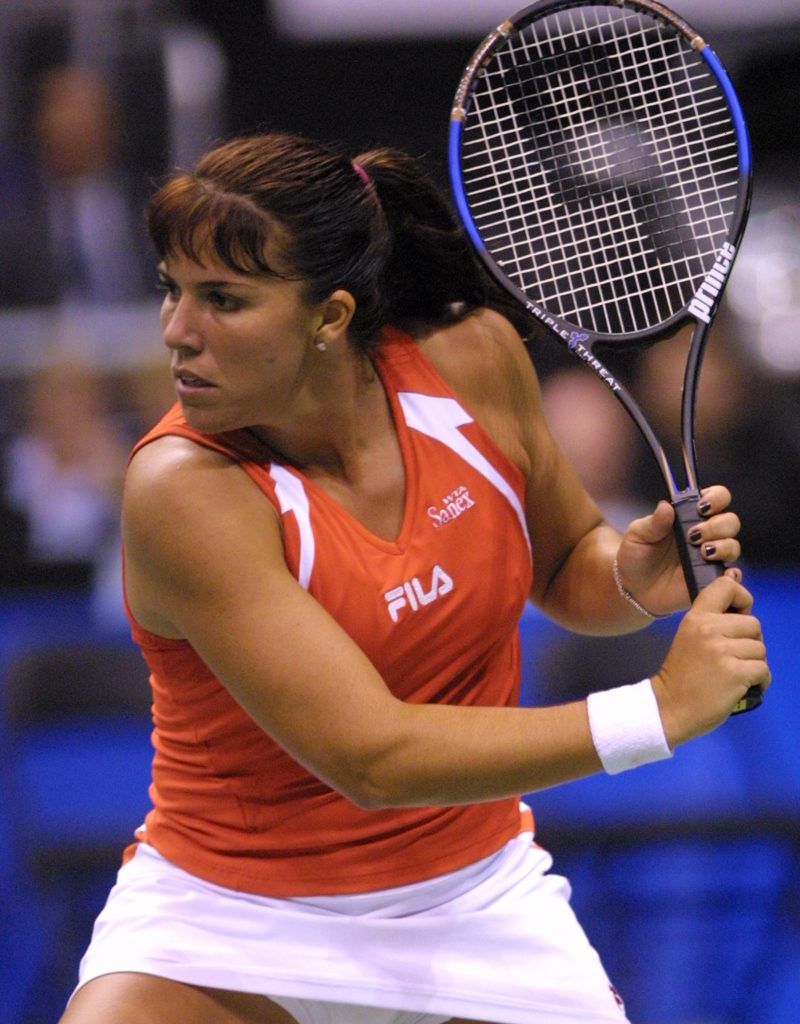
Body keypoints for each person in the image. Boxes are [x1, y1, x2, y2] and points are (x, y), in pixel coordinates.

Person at [59, 132, 769, 1024]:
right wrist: (656, 712)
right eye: (173, 289)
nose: (176, 330)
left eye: (223, 300)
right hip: (227, 922)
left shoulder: (470, 361)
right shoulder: (183, 489)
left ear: (330, 316)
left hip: (477, 901)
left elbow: (563, 563)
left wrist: (629, 578)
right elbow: (375, 759)